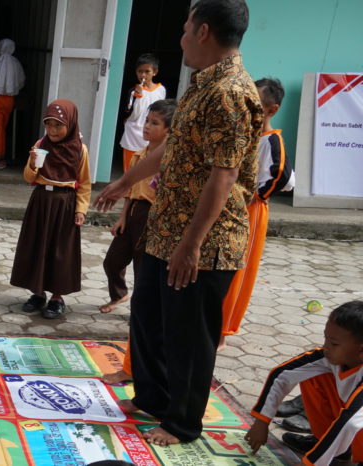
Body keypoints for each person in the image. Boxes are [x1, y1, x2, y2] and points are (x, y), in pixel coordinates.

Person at [93, 0, 264, 445]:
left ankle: (182, 423)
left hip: (203, 244)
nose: (181, 36)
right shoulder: (199, 85)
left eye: (186, 28)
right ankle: (151, 397)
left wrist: (191, 245)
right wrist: (122, 184)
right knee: (148, 318)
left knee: (189, 337)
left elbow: (223, 176)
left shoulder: (230, 92)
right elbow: (168, 150)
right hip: (166, 231)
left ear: (204, 31)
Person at [99, 99, 176, 387]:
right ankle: (119, 294)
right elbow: (130, 190)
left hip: (154, 217)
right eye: (146, 121)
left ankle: (139, 316)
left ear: (169, 130)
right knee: (113, 261)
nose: (146, 127)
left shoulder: (170, 161)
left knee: (144, 273)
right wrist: (122, 217)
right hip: (134, 213)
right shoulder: (139, 156)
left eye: (154, 123)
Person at [220, 77, 294, 340]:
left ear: (271, 110)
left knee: (239, 268)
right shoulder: (242, 135)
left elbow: (282, 177)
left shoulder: (271, 141)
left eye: (255, 103)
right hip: (229, 207)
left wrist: (254, 196)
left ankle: (224, 329)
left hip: (251, 210)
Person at [245, 301, 363, 465]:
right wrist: (262, 421)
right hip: (351, 415)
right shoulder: (328, 356)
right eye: (326, 338)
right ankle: (331, 448)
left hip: (355, 420)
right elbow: (282, 374)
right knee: (311, 375)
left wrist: (310, 462)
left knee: (355, 421)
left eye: (334, 343)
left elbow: (349, 423)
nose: (325, 347)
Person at [10, 100, 91, 320]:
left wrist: (81, 209)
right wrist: (33, 163)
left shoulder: (80, 150)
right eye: (49, 125)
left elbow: (84, 183)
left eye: (59, 125)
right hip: (41, 202)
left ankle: (57, 298)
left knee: (60, 251)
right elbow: (29, 178)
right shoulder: (40, 144)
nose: (53, 130)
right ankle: (37, 293)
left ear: (71, 124)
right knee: (37, 246)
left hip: (65, 204)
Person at [119, 53, 166, 171]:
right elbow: (131, 115)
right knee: (130, 170)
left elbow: (162, 113)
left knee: (147, 172)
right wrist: (138, 95)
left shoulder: (161, 90)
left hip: (152, 137)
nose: (143, 75)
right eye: (140, 71)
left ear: (155, 72)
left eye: (147, 71)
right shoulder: (133, 91)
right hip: (133, 137)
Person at [0, 38, 25, 170]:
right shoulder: (16, 64)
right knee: (3, 128)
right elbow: (21, 81)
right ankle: (1, 157)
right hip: (11, 99)